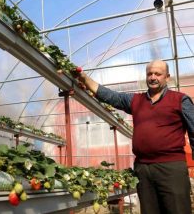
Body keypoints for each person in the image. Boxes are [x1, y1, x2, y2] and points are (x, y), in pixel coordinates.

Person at [77, 60, 194, 214]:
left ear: (167, 77)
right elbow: (111, 96)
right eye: (149, 73)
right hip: (143, 168)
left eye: (158, 74)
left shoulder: (180, 100)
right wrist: (85, 78)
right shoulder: (136, 101)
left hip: (171, 167)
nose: (153, 77)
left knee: (178, 210)